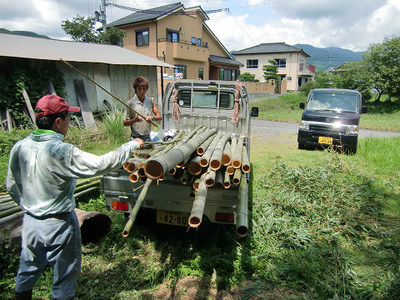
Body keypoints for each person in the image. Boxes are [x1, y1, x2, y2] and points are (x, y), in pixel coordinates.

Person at [6, 94, 143, 300]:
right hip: (58, 224)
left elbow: (11, 185)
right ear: (58, 121)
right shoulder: (59, 151)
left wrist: (28, 206)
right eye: (69, 118)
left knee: (28, 267)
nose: (70, 123)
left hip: (31, 222)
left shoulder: (20, 146)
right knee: (64, 277)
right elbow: (100, 164)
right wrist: (131, 145)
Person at [123, 76, 162, 141]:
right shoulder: (130, 103)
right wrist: (134, 120)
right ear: (135, 89)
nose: (142, 91)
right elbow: (125, 123)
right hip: (135, 138)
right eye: (139, 88)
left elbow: (159, 117)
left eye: (144, 88)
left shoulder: (150, 101)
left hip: (147, 138)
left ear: (147, 89)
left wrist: (152, 118)